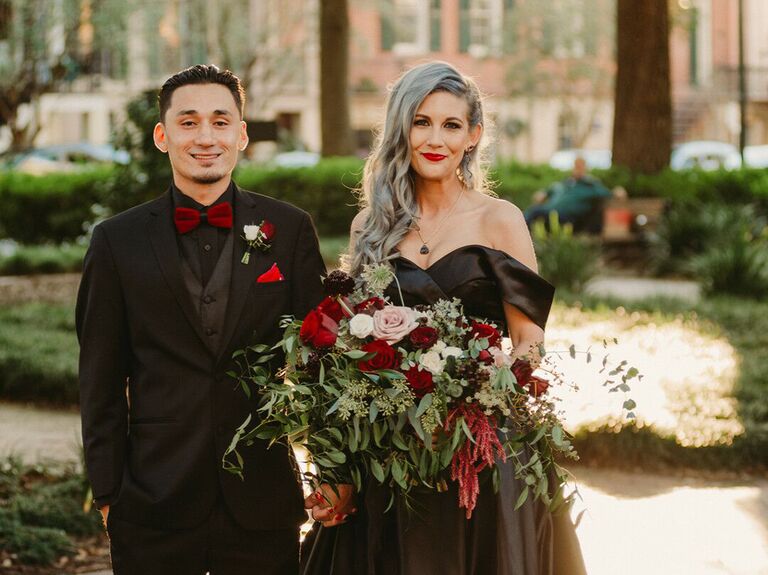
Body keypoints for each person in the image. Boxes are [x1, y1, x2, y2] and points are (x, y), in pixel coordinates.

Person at [301, 61, 587, 574]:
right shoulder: (370, 225)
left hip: (481, 450)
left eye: (451, 125)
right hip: (388, 452)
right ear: (400, 129)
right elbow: (347, 342)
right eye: (421, 121)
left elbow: (528, 342)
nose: (436, 139)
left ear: (473, 135)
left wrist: (472, 402)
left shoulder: (500, 220)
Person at [76, 64, 326, 575]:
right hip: (151, 502)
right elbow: (99, 378)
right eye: (188, 122)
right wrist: (109, 495)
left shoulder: (291, 230)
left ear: (242, 133)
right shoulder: (116, 242)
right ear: (162, 136)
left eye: (220, 120)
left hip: (263, 500)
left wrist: (332, 472)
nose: (206, 136)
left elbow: (323, 366)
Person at [524, 156, 620, 233]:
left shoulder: (590, 185)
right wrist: (542, 193)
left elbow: (607, 193)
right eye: (576, 166)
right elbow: (549, 190)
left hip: (568, 218)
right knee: (536, 211)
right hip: (551, 213)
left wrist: (617, 192)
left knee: (535, 211)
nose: (577, 169)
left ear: (585, 168)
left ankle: (517, 235)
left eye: (580, 166)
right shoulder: (566, 183)